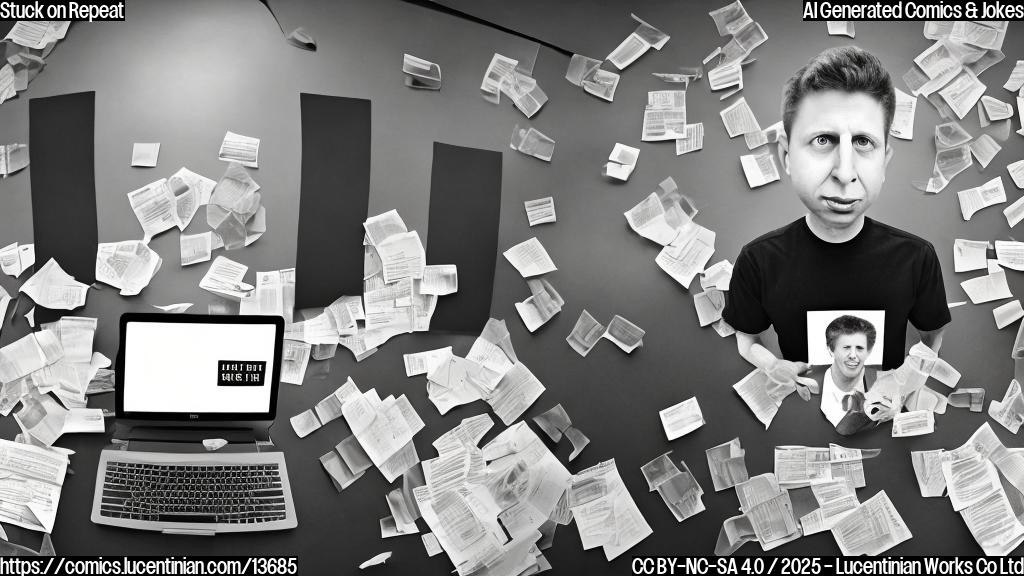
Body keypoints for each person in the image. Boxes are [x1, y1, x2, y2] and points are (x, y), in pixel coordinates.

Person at [722, 46, 951, 398]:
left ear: (884, 159)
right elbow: (746, 340)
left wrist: (902, 384)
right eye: (823, 140)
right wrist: (772, 365)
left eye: (863, 141)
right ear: (786, 155)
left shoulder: (917, 257)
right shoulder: (757, 260)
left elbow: (933, 335)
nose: (845, 173)